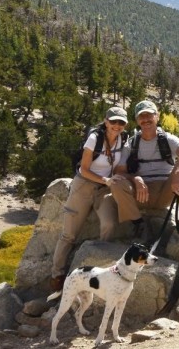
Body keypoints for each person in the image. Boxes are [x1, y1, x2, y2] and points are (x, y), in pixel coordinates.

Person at [49, 106, 129, 293]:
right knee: (68, 235)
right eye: (113, 121)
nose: (117, 126)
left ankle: (100, 273)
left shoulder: (123, 140)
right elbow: (84, 169)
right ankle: (56, 276)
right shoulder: (95, 138)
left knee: (109, 224)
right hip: (84, 186)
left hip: (104, 190)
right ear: (106, 121)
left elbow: (120, 166)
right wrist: (106, 180)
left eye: (121, 122)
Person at [109, 100, 179, 241]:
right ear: (137, 120)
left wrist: (178, 173)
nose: (145, 119)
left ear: (157, 116)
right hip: (141, 194)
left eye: (149, 115)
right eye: (141, 116)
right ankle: (139, 224)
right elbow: (119, 172)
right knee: (116, 183)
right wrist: (135, 179)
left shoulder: (167, 139)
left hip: (166, 191)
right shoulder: (131, 144)